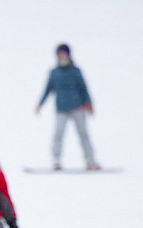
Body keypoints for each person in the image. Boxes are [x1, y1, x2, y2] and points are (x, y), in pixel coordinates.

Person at [36, 43, 100, 171]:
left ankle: (90, 160)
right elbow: (47, 89)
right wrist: (40, 103)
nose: (62, 56)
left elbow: (83, 88)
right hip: (61, 109)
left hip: (78, 108)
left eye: (64, 53)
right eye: (59, 54)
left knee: (83, 134)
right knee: (58, 134)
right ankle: (56, 160)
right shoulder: (54, 73)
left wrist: (89, 103)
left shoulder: (75, 71)